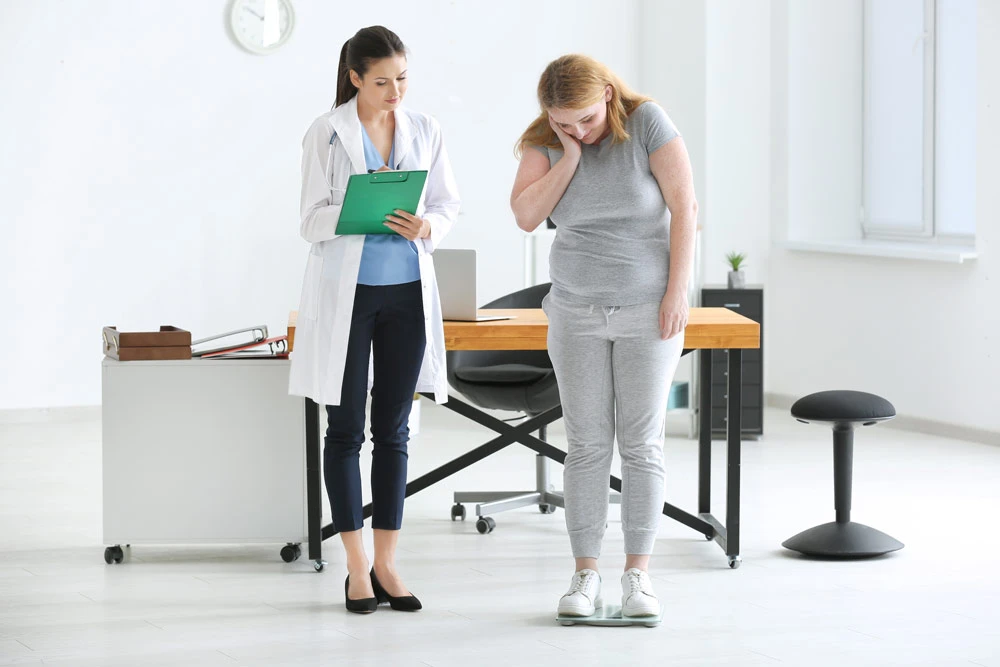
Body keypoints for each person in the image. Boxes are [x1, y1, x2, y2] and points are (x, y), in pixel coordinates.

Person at [510, 54, 697, 619]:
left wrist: (677, 293)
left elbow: (685, 208)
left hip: (647, 306)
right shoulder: (546, 140)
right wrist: (566, 156)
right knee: (587, 444)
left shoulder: (647, 123)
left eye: (586, 121)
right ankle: (584, 576)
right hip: (574, 309)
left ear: (609, 98)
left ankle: (638, 577)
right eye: (564, 122)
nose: (578, 131)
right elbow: (525, 215)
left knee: (641, 444)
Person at [288, 25, 460, 614]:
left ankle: (389, 564)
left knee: (394, 431)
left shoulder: (426, 130)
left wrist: (427, 226)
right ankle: (355, 567)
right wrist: (357, 213)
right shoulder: (326, 133)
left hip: (407, 296)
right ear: (355, 77)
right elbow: (310, 220)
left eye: (403, 79)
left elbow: (445, 204)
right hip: (349, 296)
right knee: (344, 430)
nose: (395, 92)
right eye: (382, 80)